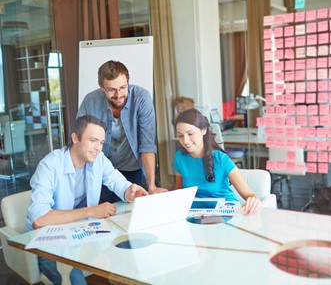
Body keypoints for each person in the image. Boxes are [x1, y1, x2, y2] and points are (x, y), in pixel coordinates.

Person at [26, 115, 149, 285]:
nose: (98, 148)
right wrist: (91, 211)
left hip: (82, 232)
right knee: (75, 280)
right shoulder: (49, 166)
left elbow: (118, 182)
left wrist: (130, 192)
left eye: (101, 142)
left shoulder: (99, 160)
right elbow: (39, 220)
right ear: (75, 138)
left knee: (129, 252)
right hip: (49, 242)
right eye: (93, 140)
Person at [77, 60, 167, 203]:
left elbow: (147, 145)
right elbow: (81, 142)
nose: (118, 95)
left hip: (134, 169)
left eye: (123, 87)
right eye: (112, 90)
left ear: (128, 82)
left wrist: (152, 186)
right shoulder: (90, 101)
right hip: (104, 172)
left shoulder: (142, 98)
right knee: (107, 214)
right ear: (101, 87)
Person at [174, 109, 260, 214]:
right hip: (197, 214)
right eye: (180, 135)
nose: (185, 141)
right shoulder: (180, 158)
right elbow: (179, 192)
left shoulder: (221, 159)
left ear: (203, 130)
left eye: (190, 134)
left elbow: (250, 195)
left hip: (225, 213)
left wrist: (253, 200)